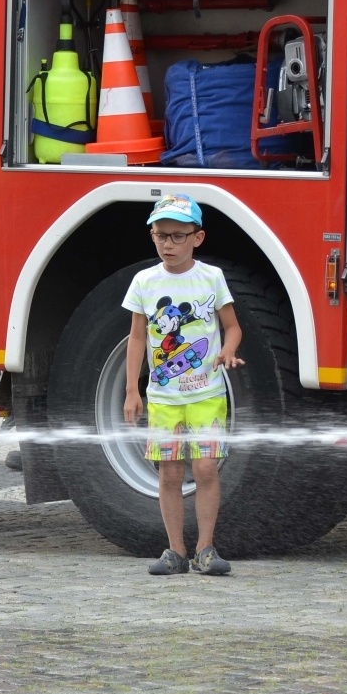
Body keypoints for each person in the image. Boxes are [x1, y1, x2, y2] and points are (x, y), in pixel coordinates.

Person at [121, 194, 242, 577]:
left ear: (198, 237)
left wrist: (228, 351)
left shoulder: (211, 277)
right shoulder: (144, 281)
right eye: (160, 236)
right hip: (164, 398)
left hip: (207, 395)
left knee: (206, 469)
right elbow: (137, 339)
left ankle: (206, 548)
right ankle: (175, 550)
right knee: (169, 473)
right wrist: (131, 391)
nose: (167, 244)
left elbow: (232, 326)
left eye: (176, 236)